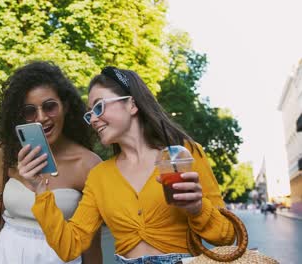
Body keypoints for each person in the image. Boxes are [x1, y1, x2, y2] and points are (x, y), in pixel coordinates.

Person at [18, 66, 236, 264]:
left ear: (131, 104)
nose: (93, 119)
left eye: (99, 107)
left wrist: (197, 208)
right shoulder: (99, 175)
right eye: (90, 113)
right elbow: (69, 247)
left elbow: (226, 236)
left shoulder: (183, 153)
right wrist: (40, 192)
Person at [0, 61, 104, 263]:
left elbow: (91, 244)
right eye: (30, 111)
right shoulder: (5, 152)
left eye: (50, 106)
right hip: (7, 255)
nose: (42, 117)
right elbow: (1, 217)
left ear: (66, 106)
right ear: (20, 116)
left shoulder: (88, 164)